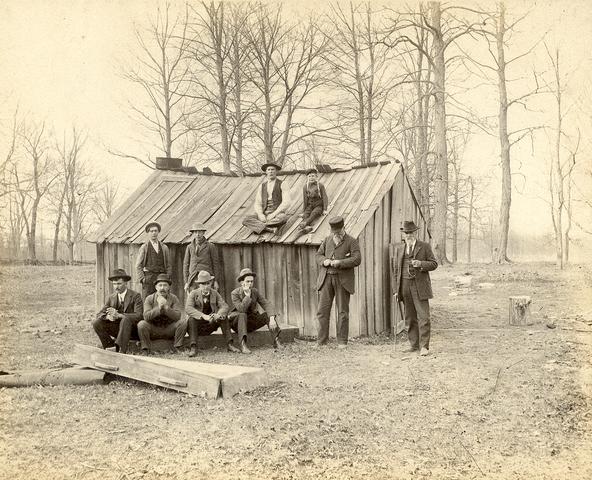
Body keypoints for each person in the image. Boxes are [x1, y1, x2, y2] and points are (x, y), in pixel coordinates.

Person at [392, 220, 438, 356]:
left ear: (415, 232)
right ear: (403, 234)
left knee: (424, 316)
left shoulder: (424, 246)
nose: (408, 235)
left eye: (411, 232)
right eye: (406, 233)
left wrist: (421, 263)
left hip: (420, 286)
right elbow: (395, 270)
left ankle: (424, 347)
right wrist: (396, 290)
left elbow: (434, 264)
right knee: (410, 317)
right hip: (404, 286)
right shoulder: (399, 248)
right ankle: (414, 345)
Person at [315, 216, 361, 348]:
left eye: (338, 232)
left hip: (343, 280)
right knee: (322, 311)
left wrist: (340, 262)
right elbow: (318, 255)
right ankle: (321, 341)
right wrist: (323, 261)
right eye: (334, 232)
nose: (336, 235)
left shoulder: (352, 241)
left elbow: (357, 259)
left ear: (343, 228)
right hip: (326, 278)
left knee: (342, 311)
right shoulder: (327, 240)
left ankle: (342, 342)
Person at [185, 271, 241, 357]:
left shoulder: (215, 293)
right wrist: (203, 316)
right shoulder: (193, 293)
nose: (206, 286)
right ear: (199, 285)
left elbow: (224, 306)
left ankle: (230, 344)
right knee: (192, 319)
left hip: (210, 324)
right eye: (203, 284)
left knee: (223, 317)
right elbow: (188, 308)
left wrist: (218, 315)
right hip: (197, 326)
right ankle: (193, 347)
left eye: (208, 283)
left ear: (211, 283)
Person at [228, 268, 281, 354]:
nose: (250, 284)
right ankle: (243, 345)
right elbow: (241, 309)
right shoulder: (235, 293)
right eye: (247, 281)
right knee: (242, 315)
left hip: (251, 322)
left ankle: (277, 341)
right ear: (242, 282)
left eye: (251, 281)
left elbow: (266, 304)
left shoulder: (255, 292)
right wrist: (247, 296)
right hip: (238, 324)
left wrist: (272, 318)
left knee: (265, 315)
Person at [92, 269, 143, 354]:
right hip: (119, 330)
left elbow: (139, 315)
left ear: (126, 283)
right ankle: (110, 347)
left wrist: (119, 315)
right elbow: (99, 314)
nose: (116, 287)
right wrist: (108, 316)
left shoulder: (135, 296)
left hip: (133, 330)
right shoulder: (111, 297)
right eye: (114, 284)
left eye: (119, 283)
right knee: (96, 322)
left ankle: (121, 350)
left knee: (125, 319)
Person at [138, 274, 186, 355]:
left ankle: (178, 347)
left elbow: (178, 316)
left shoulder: (174, 298)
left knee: (183, 322)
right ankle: (145, 349)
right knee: (141, 324)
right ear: (156, 287)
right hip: (154, 330)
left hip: (169, 329)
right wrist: (159, 309)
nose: (162, 288)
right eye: (160, 285)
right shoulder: (149, 298)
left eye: (165, 285)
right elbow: (146, 316)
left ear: (169, 287)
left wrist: (167, 308)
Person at [242, 162, 290, 235]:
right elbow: (258, 203)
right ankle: (269, 229)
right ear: (266, 172)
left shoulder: (283, 183)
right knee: (246, 219)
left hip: (277, 213)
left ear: (276, 171)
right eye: (269, 170)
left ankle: (259, 226)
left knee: (283, 218)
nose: (271, 171)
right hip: (264, 212)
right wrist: (261, 215)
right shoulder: (262, 186)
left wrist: (273, 214)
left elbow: (286, 203)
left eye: (273, 169)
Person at [135, 221, 172, 299]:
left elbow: (168, 265)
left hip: (162, 277)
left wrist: (168, 276)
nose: (154, 233)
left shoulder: (164, 247)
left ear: (158, 232)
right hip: (149, 278)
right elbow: (138, 265)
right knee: (148, 299)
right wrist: (142, 279)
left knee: (163, 299)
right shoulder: (144, 247)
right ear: (148, 233)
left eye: (155, 231)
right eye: (151, 231)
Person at [183, 223, 220, 293]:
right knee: (193, 300)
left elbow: (216, 264)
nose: (198, 234)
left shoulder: (210, 246)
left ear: (203, 232)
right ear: (193, 233)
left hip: (207, 277)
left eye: (200, 232)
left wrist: (216, 281)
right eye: (196, 232)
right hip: (193, 279)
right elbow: (186, 265)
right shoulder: (189, 247)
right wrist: (186, 282)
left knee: (207, 299)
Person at [297, 168, 328, 234]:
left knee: (314, 213)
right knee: (306, 214)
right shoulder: (305, 187)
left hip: (318, 205)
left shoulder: (320, 186)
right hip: (310, 205)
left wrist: (325, 209)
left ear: (316, 177)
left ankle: (304, 224)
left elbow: (325, 197)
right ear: (307, 177)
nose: (311, 178)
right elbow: (305, 199)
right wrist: (304, 211)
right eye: (309, 176)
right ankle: (307, 227)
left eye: (313, 176)